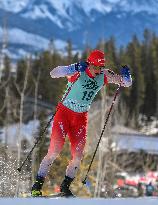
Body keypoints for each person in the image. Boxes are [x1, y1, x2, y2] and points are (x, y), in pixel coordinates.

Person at [31, 50, 132, 197]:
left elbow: (126, 83)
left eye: (100, 67)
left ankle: (65, 187)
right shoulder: (78, 71)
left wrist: (127, 75)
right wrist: (74, 67)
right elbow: (54, 73)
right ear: (89, 64)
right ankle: (36, 187)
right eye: (95, 67)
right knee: (54, 151)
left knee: (78, 156)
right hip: (64, 114)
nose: (98, 71)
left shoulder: (104, 75)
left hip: (80, 118)